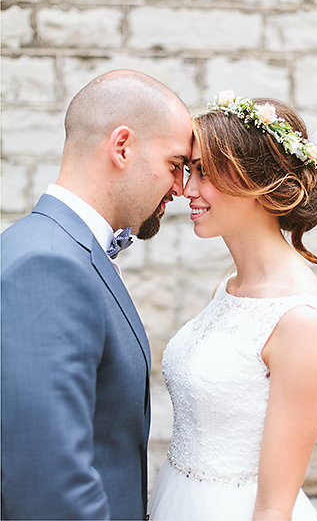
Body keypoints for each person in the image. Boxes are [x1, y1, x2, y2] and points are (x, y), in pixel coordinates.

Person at [1, 70, 193, 519]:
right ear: (122, 147)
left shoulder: (54, 245)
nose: (182, 188)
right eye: (175, 164)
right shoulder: (47, 265)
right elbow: (48, 482)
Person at [148, 92, 317, 520]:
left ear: (256, 181)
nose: (185, 190)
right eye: (186, 171)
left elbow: (274, 507)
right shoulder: (229, 287)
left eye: (203, 173)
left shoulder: (297, 318)